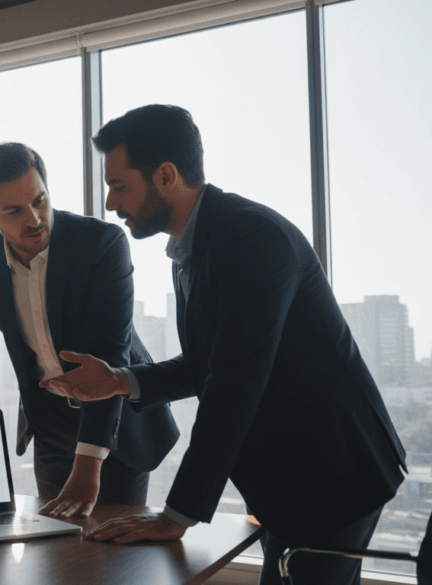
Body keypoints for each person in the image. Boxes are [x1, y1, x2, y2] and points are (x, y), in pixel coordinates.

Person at [42, 105, 407, 585]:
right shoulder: (193, 248)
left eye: (119, 185)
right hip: (294, 476)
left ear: (166, 176)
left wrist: (177, 515)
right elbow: (205, 366)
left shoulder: (251, 238)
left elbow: (233, 384)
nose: (111, 203)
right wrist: (118, 381)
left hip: (334, 473)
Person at [0, 142, 179, 519]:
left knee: (115, 552)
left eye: (40, 200)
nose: (35, 219)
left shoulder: (101, 244)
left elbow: (111, 354)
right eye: (14, 211)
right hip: (50, 418)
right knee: (58, 549)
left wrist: (88, 466)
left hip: (116, 421)